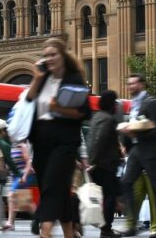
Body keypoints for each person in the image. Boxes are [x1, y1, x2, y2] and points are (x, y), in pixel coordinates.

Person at [26, 37, 90, 238]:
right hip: (41, 140)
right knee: (54, 189)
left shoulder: (74, 79)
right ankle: (69, 233)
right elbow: (28, 100)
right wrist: (36, 77)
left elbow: (84, 113)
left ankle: (45, 232)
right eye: (46, 56)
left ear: (63, 55)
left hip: (64, 140)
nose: (50, 59)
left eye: (53, 54)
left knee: (53, 184)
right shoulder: (43, 77)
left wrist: (59, 108)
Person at [119, 73, 156, 238]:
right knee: (126, 183)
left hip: (150, 150)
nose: (130, 86)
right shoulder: (134, 104)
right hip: (136, 150)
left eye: (133, 83)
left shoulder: (151, 102)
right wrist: (127, 139)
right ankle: (132, 223)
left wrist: (134, 132)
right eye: (129, 84)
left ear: (142, 84)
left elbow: (155, 129)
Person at [87, 90, 122, 238]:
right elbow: (100, 141)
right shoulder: (108, 119)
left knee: (106, 196)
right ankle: (106, 229)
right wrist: (94, 162)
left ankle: (106, 229)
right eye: (114, 102)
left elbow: (95, 140)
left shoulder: (96, 117)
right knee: (110, 197)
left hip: (98, 163)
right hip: (105, 165)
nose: (116, 105)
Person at [0, 140, 36, 231]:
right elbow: (11, 163)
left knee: (11, 195)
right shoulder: (11, 146)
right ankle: (40, 219)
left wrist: (24, 176)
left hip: (24, 175)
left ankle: (10, 223)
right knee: (25, 202)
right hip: (15, 176)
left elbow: (28, 162)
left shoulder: (22, 146)